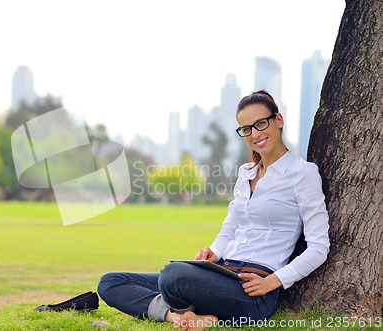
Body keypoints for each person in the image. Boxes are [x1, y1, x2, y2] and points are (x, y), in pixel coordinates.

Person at [97, 90, 330, 330]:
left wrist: (273, 281)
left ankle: (191, 310)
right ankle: (182, 318)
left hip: (254, 291)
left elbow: (319, 247)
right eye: (247, 129)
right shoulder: (246, 173)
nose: (255, 134)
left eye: (261, 123)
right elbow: (230, 227)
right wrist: (215, 251)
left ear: (278, 120)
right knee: (111, 282)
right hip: (219, 273)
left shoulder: (303, 173)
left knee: (172, 275)